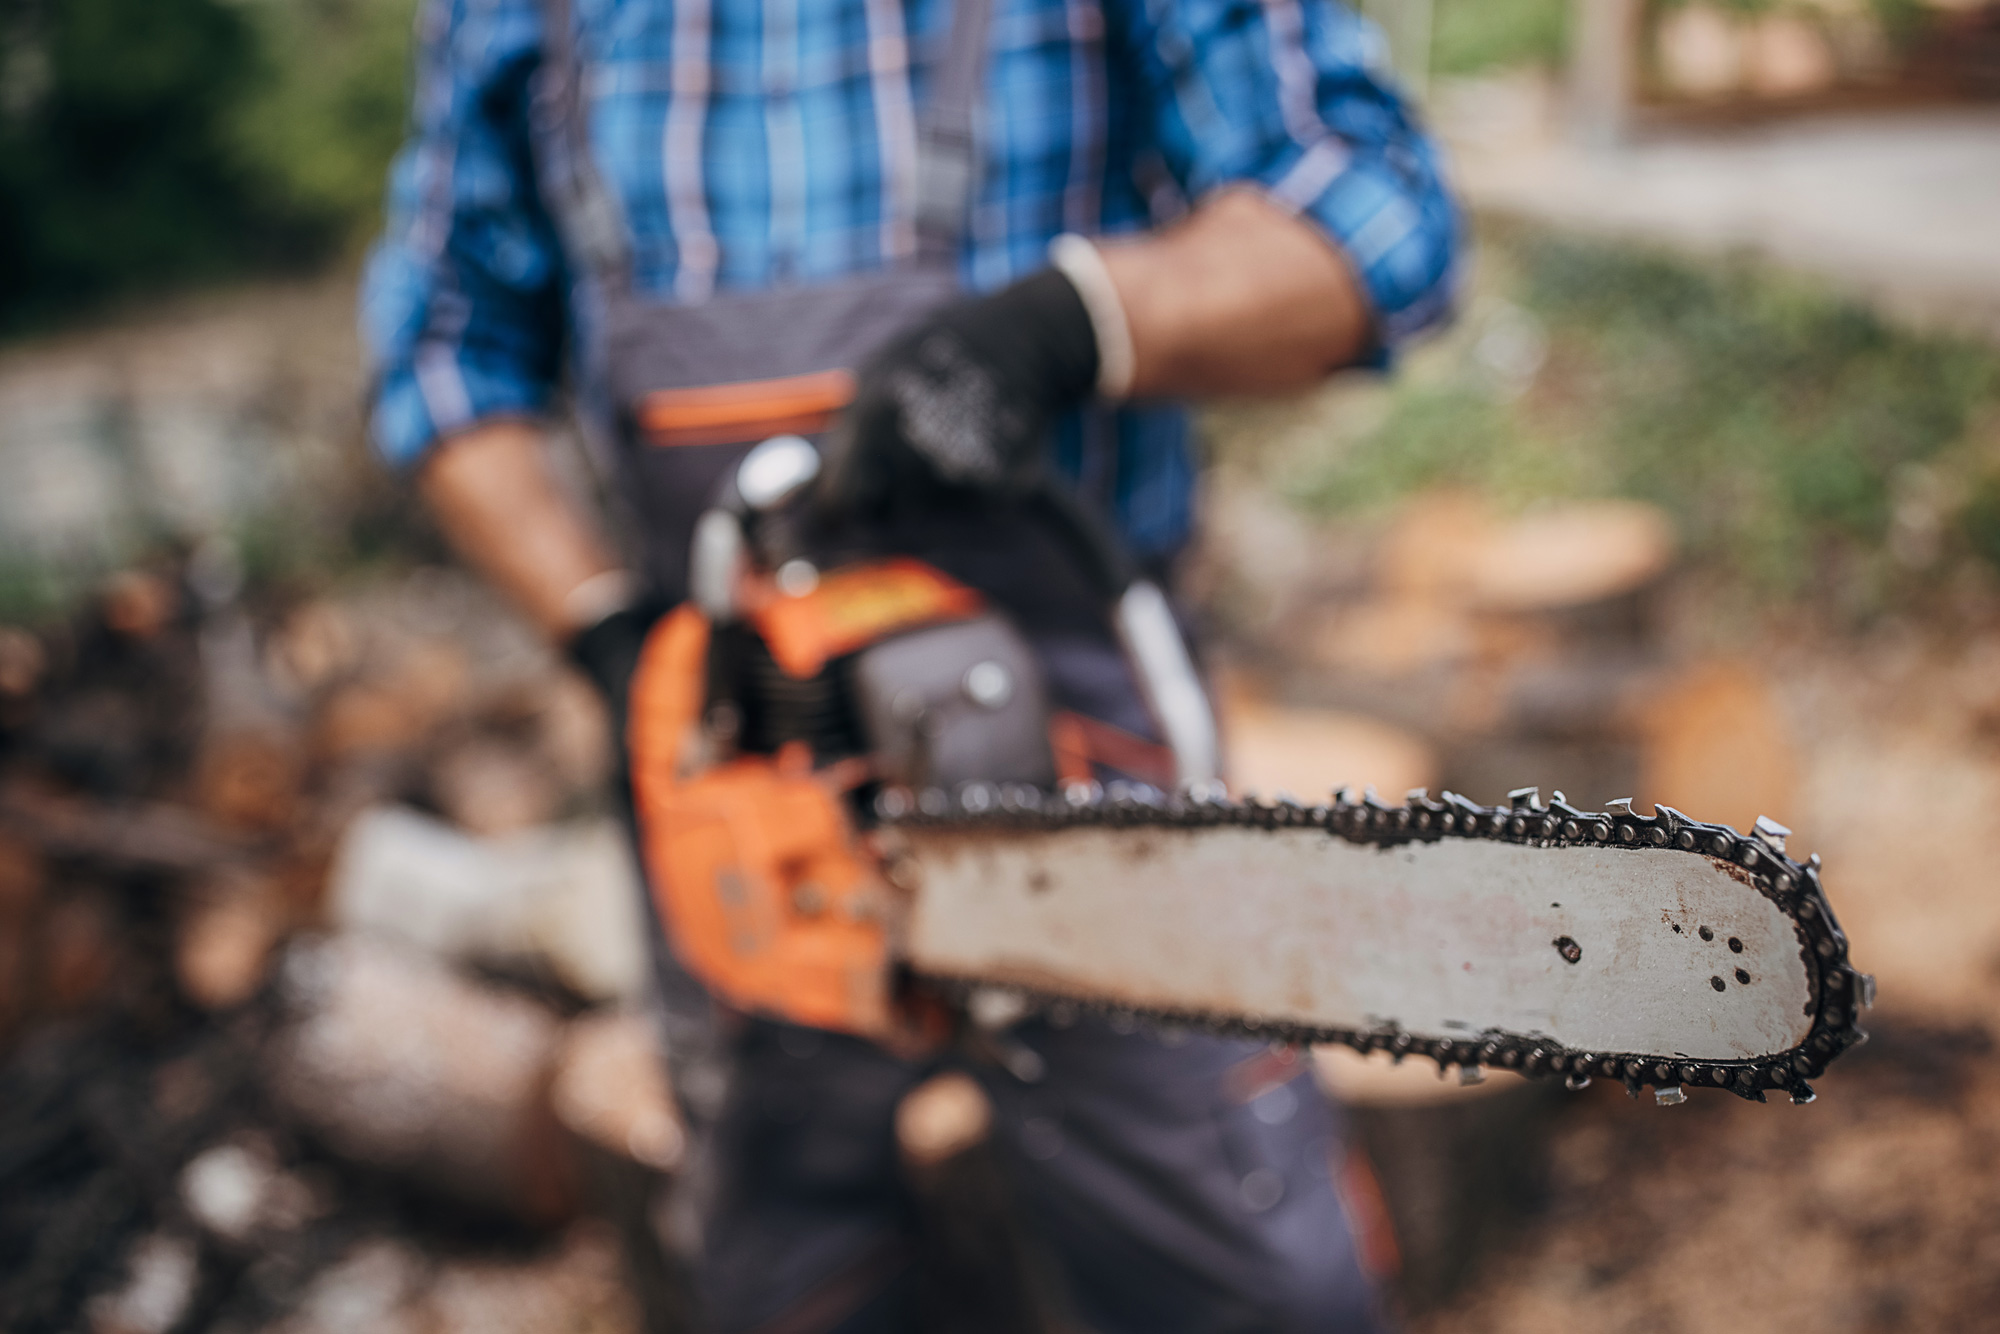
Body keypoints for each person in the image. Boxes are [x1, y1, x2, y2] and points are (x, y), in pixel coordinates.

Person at [362, 0, 1459, 1325]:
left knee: (1240, 1269)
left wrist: (1075, 323)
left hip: (1075, 760)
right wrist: (608, 634)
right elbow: (442, 351)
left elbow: (1377, 223)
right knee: (794, 1274)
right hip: (741, 762)